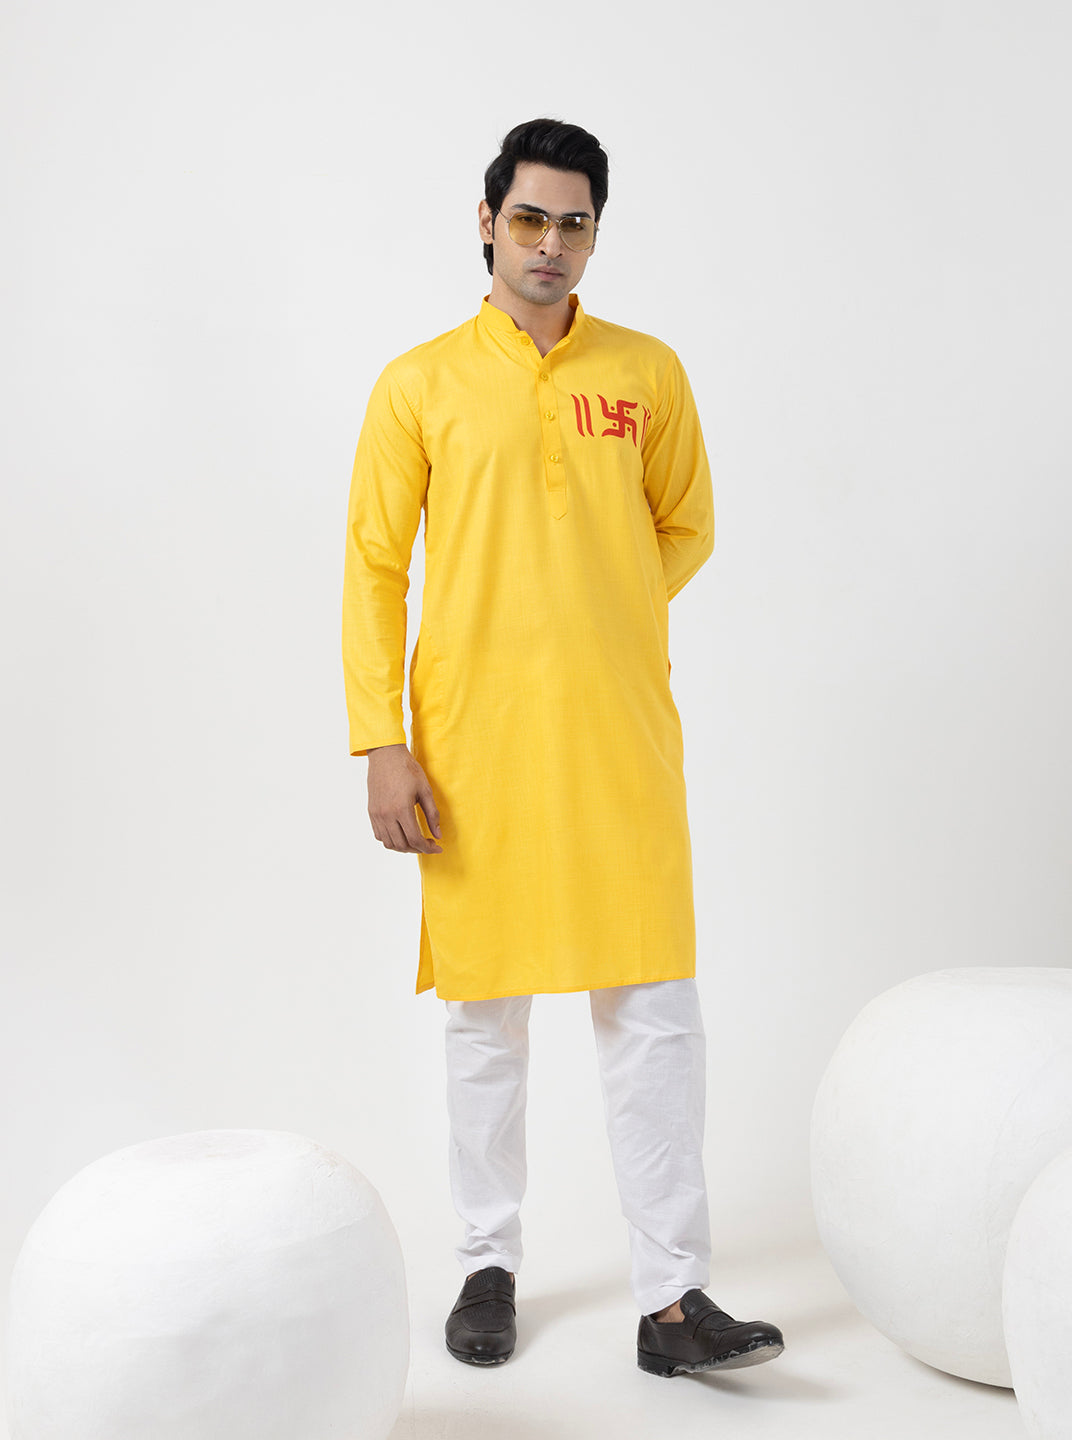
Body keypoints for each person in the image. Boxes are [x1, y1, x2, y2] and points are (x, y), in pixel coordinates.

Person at [341, 117, 785, 1377]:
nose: (550, 242)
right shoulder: (419, 384)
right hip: (471, 746)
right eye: (530, 217)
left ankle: (674, 1301)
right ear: (488, 222)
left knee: (654, 1012)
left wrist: (597, 609)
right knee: (486, 1020)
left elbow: (686, 524)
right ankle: (487, 1264)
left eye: (574, 222)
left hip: (618, 739)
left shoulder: (645, 372)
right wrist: (382, 739)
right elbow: (375, 567)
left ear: (595, 234)